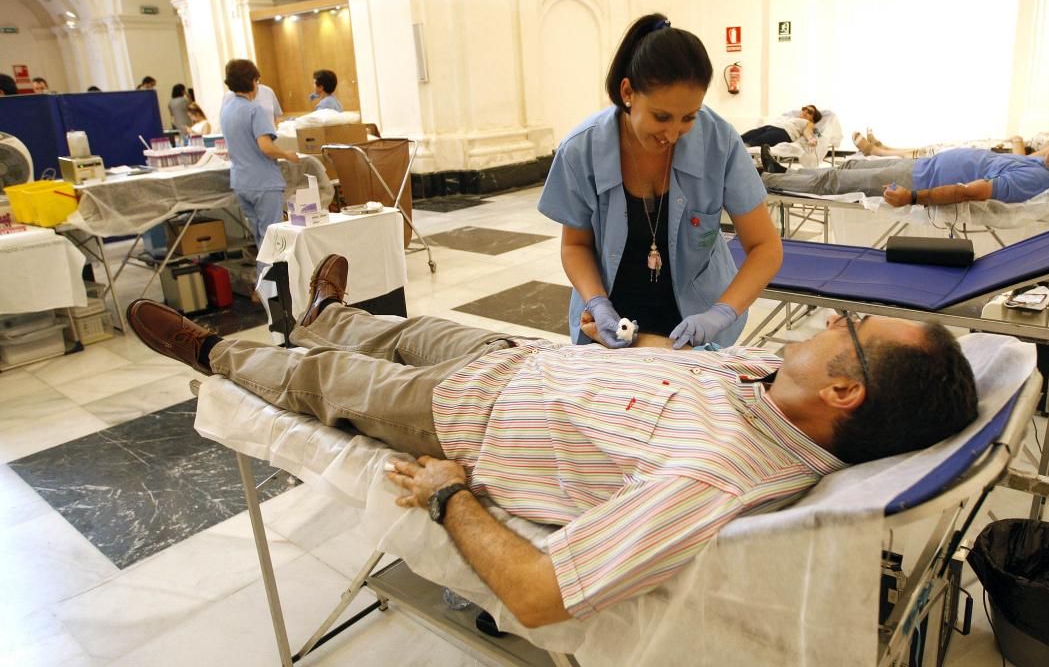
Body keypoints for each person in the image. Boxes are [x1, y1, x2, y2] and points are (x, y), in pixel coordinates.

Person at [124, 253, 979, 628]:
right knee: (401, 328)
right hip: (520, 358)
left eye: (848, 325)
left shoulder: (718, 477)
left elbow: (538, 593)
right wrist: (621, 335)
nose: (831, 316)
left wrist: (449, 493)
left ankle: (213, 349)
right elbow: (669, 358)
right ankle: (324, 316)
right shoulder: (778, 382)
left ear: (846, 389)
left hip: (464, 417)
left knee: (323, 385)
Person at [538, 13, 783, 350]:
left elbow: (765, 248)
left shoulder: (718, 142)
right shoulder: (583, 150)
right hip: (612, 322)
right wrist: (597, 303)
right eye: (661, 117)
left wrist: (721, 313)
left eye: (689, 118)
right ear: (628, 92)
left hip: (695, 322)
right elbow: (575, 245)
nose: (672, 134)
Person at [761, 134, 1049, 207]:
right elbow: (1041, 147)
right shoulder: (1048, 164)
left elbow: (969, 192)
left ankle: (763, 180)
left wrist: (913, 198)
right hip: (924, 166)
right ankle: (778, 172)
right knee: (853, 164)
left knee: (835, 179)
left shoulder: (1036, 179)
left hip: (919, 180)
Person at [218, 59, 299, 262]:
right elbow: (266, 147)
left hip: (242, 182)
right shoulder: (255, 110)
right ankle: (272, 290)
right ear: (254, 81)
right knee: (273, 239)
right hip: (263, 183)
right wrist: (287, 154)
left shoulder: (226, 111)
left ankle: (263, 288)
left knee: (260, 238)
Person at [853, 109, 1049, 159]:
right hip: (1002, 150)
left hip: (1005, 156)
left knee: (940, 152)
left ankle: (879, 152)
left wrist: (1018, 141)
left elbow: (1029, 161)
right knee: (938, 146)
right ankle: (886, 149)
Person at [741, 105, 823, 148]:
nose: (805, 111)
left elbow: (808, 131)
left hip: (784, 133)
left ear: (814, 118)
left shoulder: (809, 123)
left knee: (753, 142)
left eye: (809, 112)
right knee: (743, 137)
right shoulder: (792, 118)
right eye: (804, 109)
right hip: (769, 127)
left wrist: (810, 139)